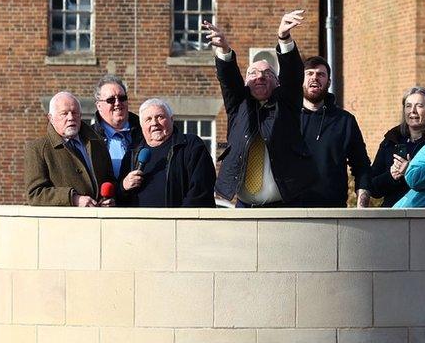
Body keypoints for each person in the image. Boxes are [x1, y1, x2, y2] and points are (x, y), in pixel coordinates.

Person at [204, 13, 318, 207]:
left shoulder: (287, 104)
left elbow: (292, 74)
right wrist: (224, 50)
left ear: (277, 82)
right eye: (253, 73)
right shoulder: (238, 106)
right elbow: (229, 81)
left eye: (267, 73)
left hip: (284, 206)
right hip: (244, 207)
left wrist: (284, 38)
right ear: (246, 82)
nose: (260, 77)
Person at [277, 13, 371, 207]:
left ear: (328, 81)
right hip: (289, 211)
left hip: (332, 210)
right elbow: (287, 70)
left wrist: (362, 204)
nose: (315, 78)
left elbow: (361, 165)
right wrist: (284, 38)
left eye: (321, 75)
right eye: (309, 73)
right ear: (301, 80)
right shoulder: (286, 116)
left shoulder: (344, 121)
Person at [118, 99, 216, 207]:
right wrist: (123, 186)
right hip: (140, 222)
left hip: (179, 221)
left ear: (171, 120)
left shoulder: (190, 146)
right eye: (148, 119)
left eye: (160, 117)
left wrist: (180, 220)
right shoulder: (132, 153)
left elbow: (201, 189)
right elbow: (119, 197)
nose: (154, 123)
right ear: (142, 126)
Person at [25, 91, 116, 207]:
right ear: (51, 118)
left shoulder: (97, 144)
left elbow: (109, 180)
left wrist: (110, 198)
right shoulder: (37, 149)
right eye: (64, 114)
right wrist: (73, 199)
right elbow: (35, 194)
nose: (71, 118)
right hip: (65, 222)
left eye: (75, 113)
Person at [369, 86, 425, 207]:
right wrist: (391, 176)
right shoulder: (390, 141)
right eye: (408, 106)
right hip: (392, 215)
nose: (413, 111)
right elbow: (373, 188)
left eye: (419, 106)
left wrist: (410, 172)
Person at [90, 75, 143, 186]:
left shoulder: (144, 132)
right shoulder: (87, 137)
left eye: (122, 98)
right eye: (111, 100)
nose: (118, 103)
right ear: (99, 105)